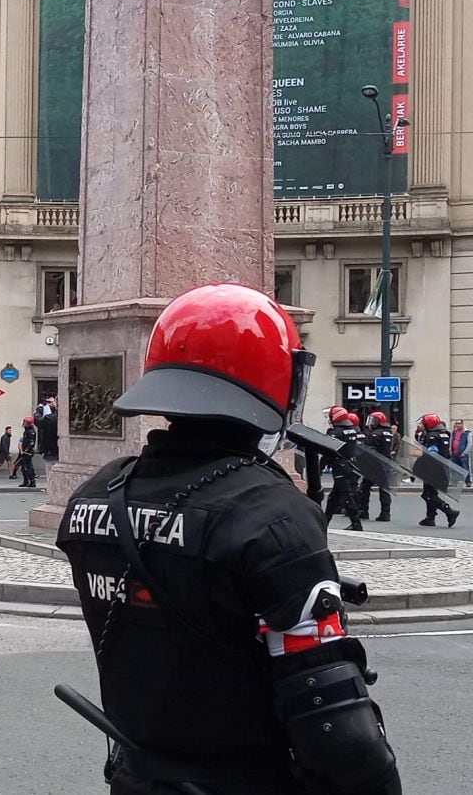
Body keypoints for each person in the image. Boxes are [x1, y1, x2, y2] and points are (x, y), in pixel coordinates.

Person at [55, 283, 400, 795]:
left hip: (138, 775)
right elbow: (335, 725)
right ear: (274, 378)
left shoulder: (96, 493)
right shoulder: (271, 514)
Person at [322, 406, 363, 531]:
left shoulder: (335, 432)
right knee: (334, 497)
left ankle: (356, 524)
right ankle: (324, 522)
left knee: (347, 496)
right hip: (350, 465)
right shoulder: (352, 430)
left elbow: (329, 450)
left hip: (339, 466)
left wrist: (321, 466)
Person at [417, 413, 460, 527]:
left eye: (424, 423)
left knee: (427, 494)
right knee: (431, 492)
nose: (423, 425)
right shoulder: (444, 433)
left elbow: (431, 453)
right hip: (442, 466)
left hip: (432, 468)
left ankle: (450, 512)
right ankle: (430, 518)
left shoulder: (432, 436)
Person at [358, 411, 394, 522]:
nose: (371, 423)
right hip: (386, 463)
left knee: (365, 487)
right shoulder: (388, 432)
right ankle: (385, 513)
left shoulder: (376, 433)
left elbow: (371, 449)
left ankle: (364, 511)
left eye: (373, 420)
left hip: (374, 464)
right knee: (384, 489)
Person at [17, 417, 37, 488]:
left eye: (24, 422)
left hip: (28, 452)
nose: (23, 424)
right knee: (24, 467)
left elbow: (31, 442)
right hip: (25, 451)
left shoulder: (31, 432)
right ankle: (26, 481)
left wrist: (26, 450)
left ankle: (32, 481)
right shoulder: (27, 431)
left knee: (27, 467)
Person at [451, 419, 470, 487]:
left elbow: (470, 443)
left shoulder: (467, 432)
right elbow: (451, 441)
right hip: (454, 453)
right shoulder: (454, 432)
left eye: (459, 423)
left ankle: (468, 481)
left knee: (465, 467)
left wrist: (465, 452)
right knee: (454, 468)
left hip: (463, 453)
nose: (457, 425)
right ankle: (454, 482)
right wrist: (450, 450)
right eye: (456, 423)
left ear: (462, 424)